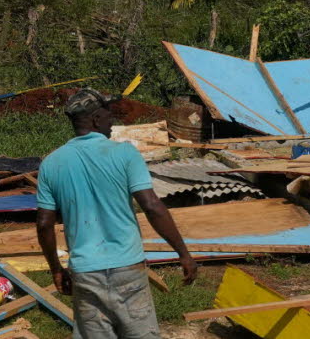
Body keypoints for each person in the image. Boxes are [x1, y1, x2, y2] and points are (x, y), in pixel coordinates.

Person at [36, 88, 198, 339]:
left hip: (86, 272)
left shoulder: (51, 163)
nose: (113, 120)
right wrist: (183, 253)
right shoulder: (124, 153)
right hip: (128, 269)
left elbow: (44, 224)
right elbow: (152, 206)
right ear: (96, 119)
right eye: (108, 114)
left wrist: (56, 269)